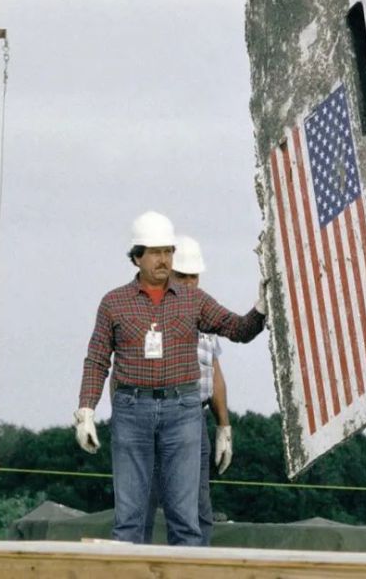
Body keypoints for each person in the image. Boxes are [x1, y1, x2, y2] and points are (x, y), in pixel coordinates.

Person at [74, 211, 265, 546]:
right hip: (132, 410)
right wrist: (86, 410)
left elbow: (237, 328)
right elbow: (97, 358)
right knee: (129, 520)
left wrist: (261, 308)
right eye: (155, 252)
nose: (164, 260)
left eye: (168, 251)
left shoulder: (193, 299)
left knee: (185, 519)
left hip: (183, 410)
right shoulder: (113, 303)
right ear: (136, 256)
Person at [142, 234, 232, 546]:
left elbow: (214, 373)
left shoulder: (204, 315)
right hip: (157, 415)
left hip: (196, 416)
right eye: (183, 276)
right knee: (144, 502)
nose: (191, 283)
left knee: (199, 507)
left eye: (195, 276)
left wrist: (224, 426)